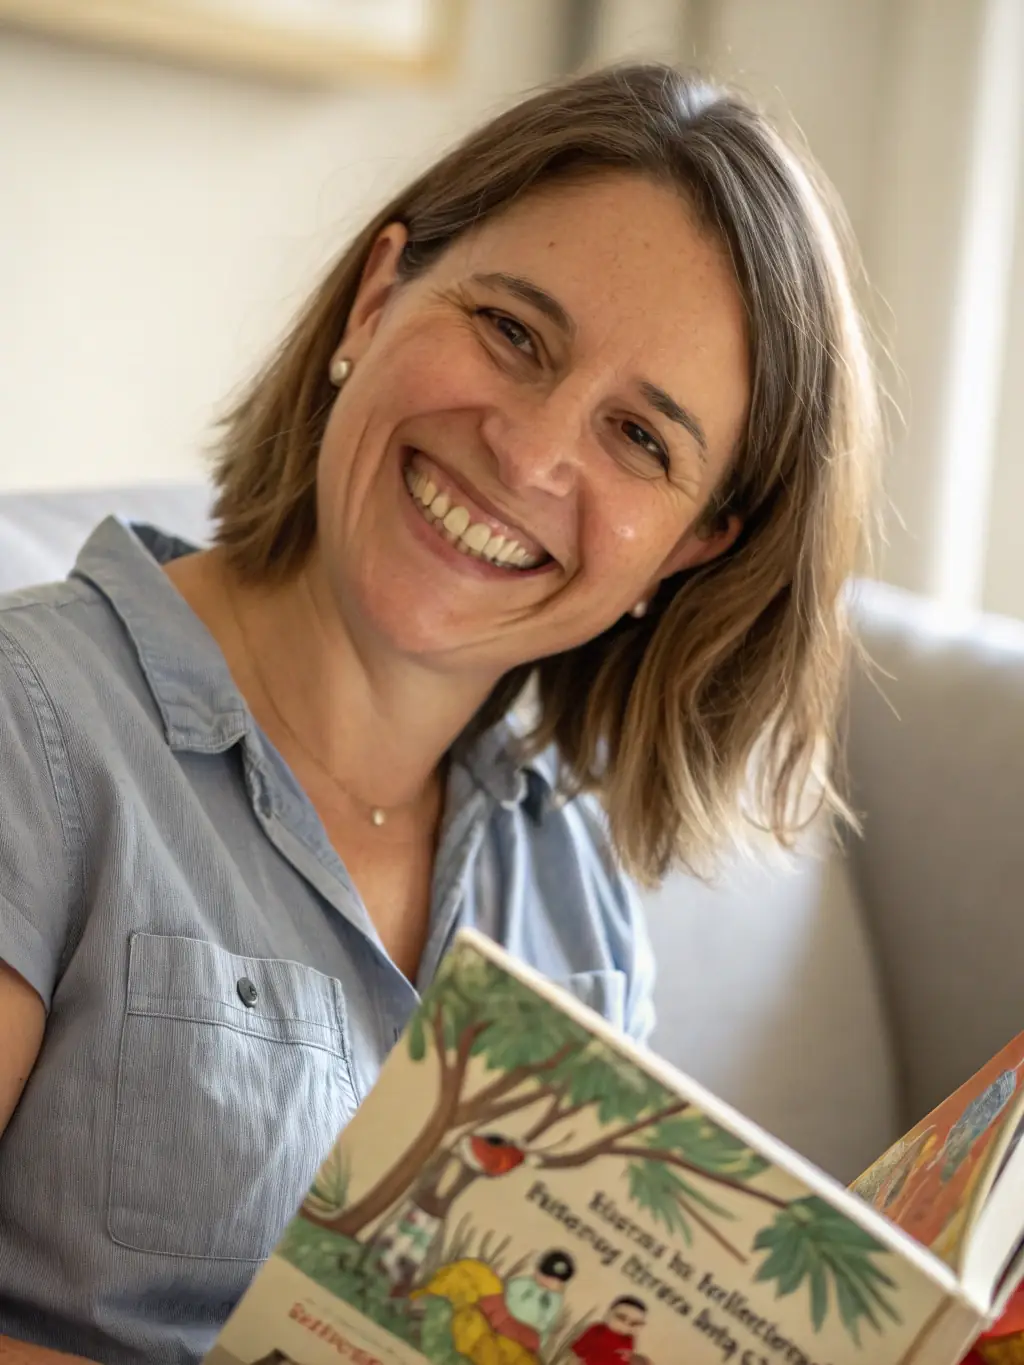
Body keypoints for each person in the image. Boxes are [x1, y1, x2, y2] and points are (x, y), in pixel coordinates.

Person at [0, 61, 879, 1365]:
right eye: (515, 333)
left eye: (641, 438)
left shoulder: (576, 903)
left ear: (689, 551)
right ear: (377, 294)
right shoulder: (37, 728)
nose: (529, 455)